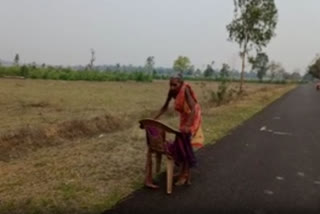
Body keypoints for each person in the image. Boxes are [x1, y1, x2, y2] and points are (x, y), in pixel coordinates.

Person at [154, 73, 204, 185]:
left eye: (175, 85)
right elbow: (165, 106)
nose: (172, 87)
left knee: (184, 139)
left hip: (193, 116)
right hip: (185, 116)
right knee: (180, 140)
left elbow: (193, 109)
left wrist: (188, 125)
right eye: (170, 85)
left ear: (181, 84)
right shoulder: (171, 91)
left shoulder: (185, 89)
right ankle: (182, 171)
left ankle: (185, 174)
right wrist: (154, 118)